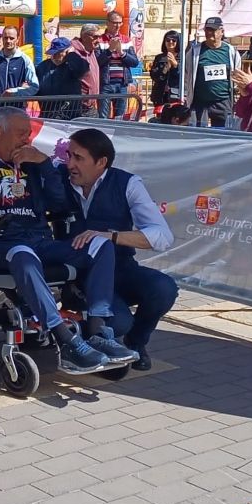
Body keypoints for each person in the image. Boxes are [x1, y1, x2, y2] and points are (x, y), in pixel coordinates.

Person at [0, 108, 122, 373]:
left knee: (100, 245)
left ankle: (99, 330)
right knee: (23, 253)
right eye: (21, 133)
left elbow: (60, 202)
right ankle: (64, 340)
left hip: (39, 239)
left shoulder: (33, 163)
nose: (26, 139)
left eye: (28, 133)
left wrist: (42, 163)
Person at [58, 128, 178, 377]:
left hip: (121, 268)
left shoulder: (127, 183)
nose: (70, 164)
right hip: (79, 275)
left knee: (164, 288)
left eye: (78, 158)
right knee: (120, 320)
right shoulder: (57, 178)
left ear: (101, 162)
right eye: (69, 155)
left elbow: (162, 236)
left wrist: (111, 236)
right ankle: (90, 341)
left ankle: (136, 342)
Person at [182, 16, 241, 128]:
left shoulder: (231, 51)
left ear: (222, 32)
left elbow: (237, 73)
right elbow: (187, 72)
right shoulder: (194, 52)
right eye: (207, 30)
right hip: (200, 102)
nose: (210, 33)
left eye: (214, 30)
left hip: (222, 102)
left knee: (222, 135)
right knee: (198, 134)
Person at [38, 29, 99, 119]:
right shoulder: (42, 66)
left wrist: (71, 54)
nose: (55, 56)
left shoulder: (72, 65)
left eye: (58, 52)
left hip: (70, 114)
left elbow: (82, 69)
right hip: (48, 113)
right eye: (53, 52)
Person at [0, 26, 39, 106]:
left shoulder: (25, 60)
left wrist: (15, 92)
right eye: (5, 38)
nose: (8, 41)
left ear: (17, 39)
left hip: (17, 109)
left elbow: (34, 87)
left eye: (11, 38)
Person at [98, 31, 140, 119]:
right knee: (103, 117)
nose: (117, 26)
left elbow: (135, 62)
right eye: (114, 22)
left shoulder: (126, 40)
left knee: (120, 117)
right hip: (106, 84)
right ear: (108, 22)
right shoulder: (100, 40)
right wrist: (109, 50)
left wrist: (122, 53)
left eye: (119, 22)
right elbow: (97, 62)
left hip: (122, 84)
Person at [149, 30, 182, 112]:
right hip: (160, 94)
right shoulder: (159, 58)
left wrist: (175, 65)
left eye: (174, 40)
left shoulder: (183, 57)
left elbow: (184, 75)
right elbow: (154, 75)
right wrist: (165, 69)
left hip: (176, 94)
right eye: (168, 40)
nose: (170, 42)